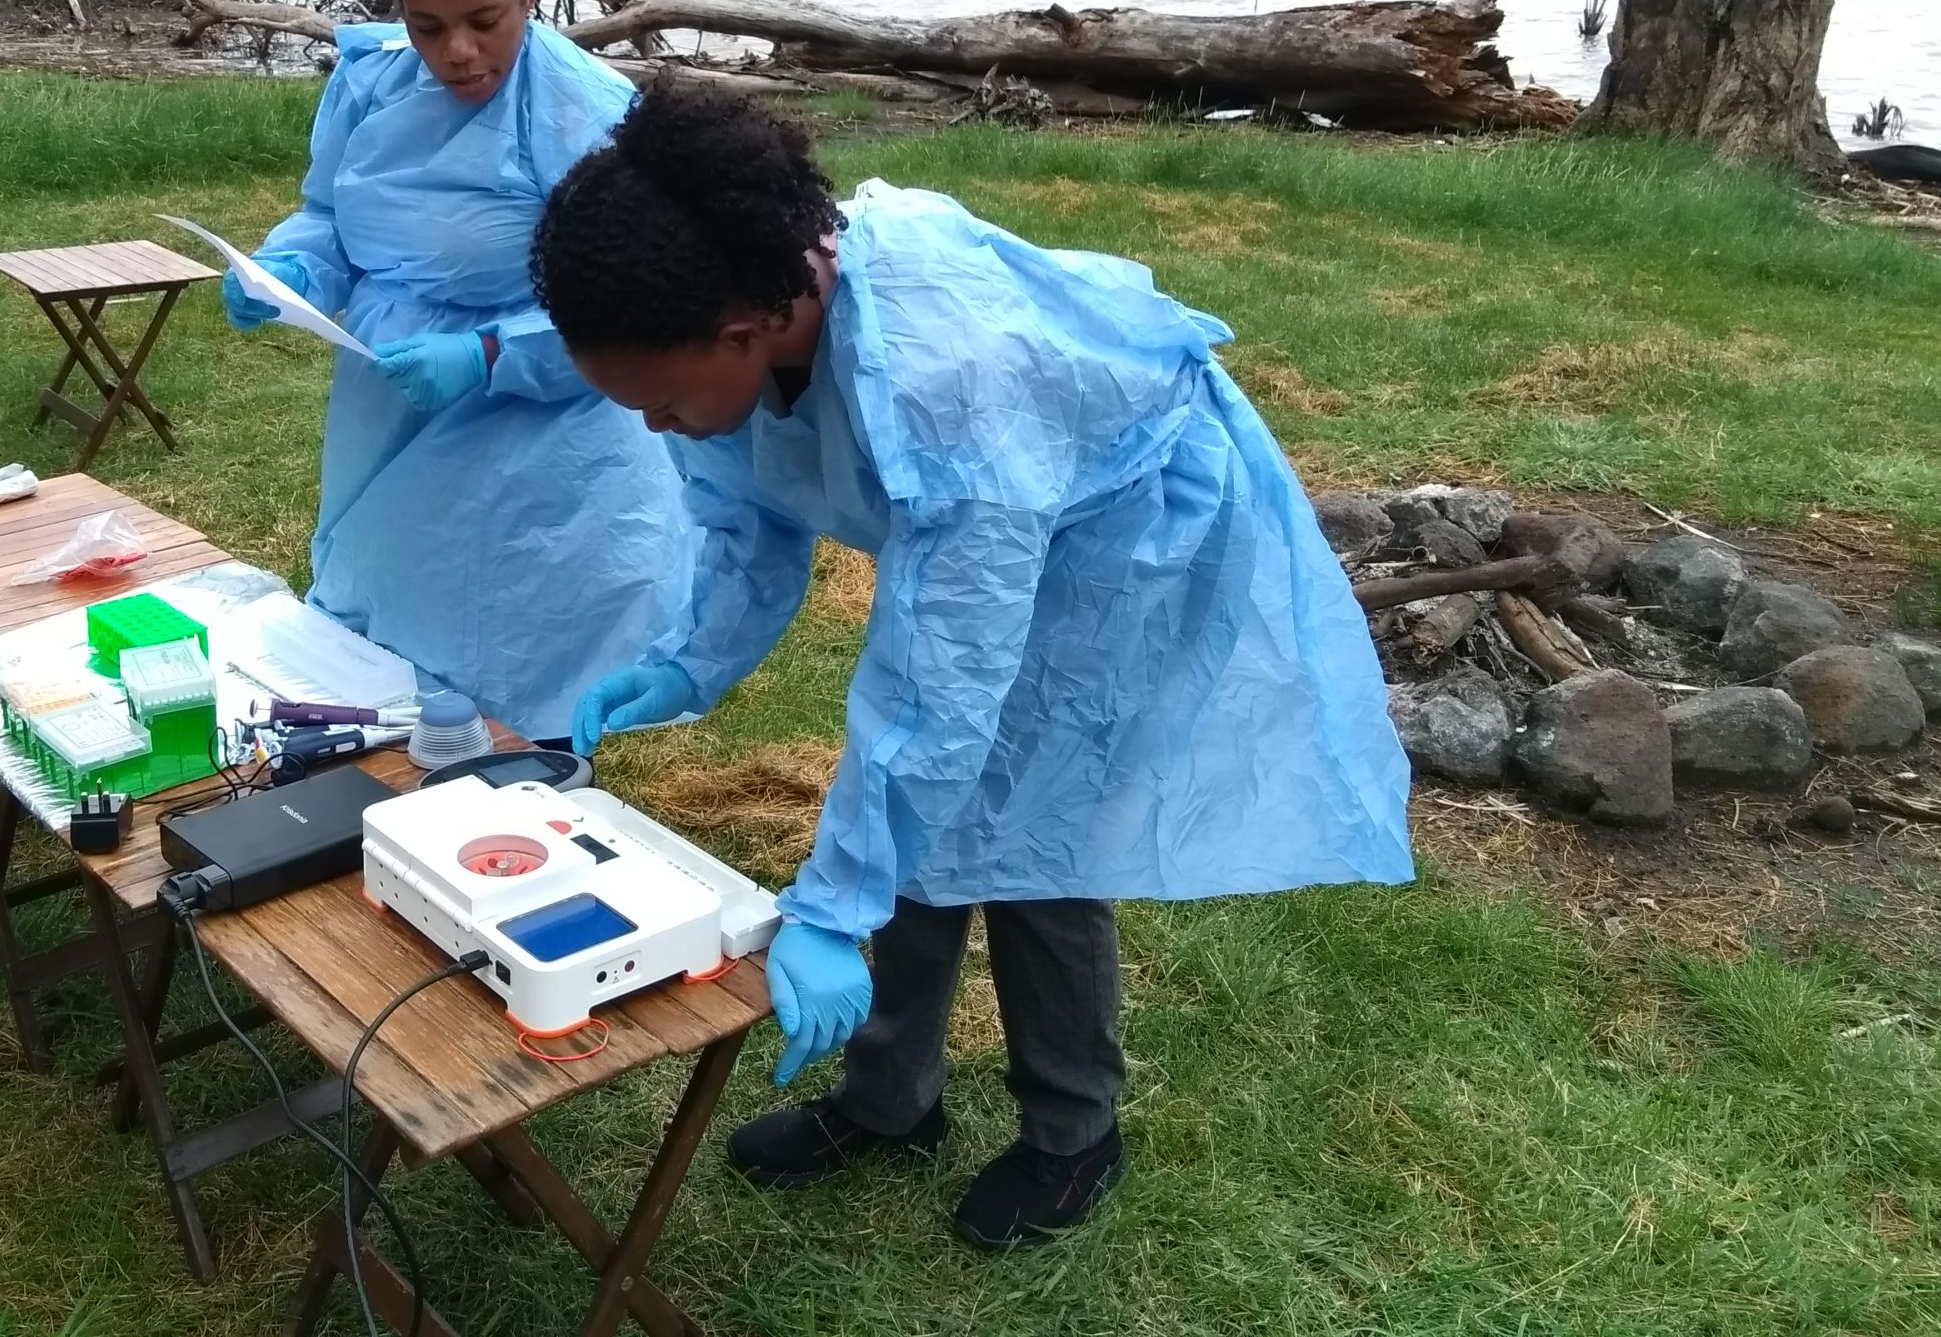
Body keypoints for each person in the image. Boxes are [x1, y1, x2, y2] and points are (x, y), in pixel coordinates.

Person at [528, 85, 1413, 1251]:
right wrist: (688, 663)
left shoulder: (950, 384)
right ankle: (891, 1100)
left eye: (659, 400)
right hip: (996, 512)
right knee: (928, 809)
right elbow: (749, 509)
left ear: (743, 332)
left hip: (1123, 522)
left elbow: (936, 690)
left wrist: (833, 910)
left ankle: (1073, 1130)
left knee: (1034, 824)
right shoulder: (742, 312)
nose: (655, 428)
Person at [225, 0, 690, 743]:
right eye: (428, 26)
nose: (459, 53)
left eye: (486, 22)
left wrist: (488, 354)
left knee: (516, 635)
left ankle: (535, 788)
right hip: (392, 398)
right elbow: (331, 211)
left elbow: (632, 303)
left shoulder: (585, 112)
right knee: (389, 616)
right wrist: (286, 271)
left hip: (540, 427)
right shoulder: (371, 81)